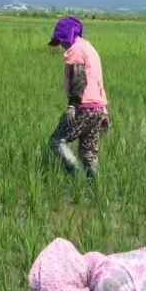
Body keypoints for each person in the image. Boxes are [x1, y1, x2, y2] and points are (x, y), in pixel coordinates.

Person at [47, 16, 109, 178]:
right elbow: (98, 81)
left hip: (83, 106)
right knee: (89, 152)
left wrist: (72, 106)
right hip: (97, 109)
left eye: (61, 40)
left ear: (68, 35)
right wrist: (104, 110)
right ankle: (93, 185)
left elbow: (79, 78)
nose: (61, 45)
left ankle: (76, 174)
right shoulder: (91, 49)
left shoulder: (76, 50)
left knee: (57, 141)